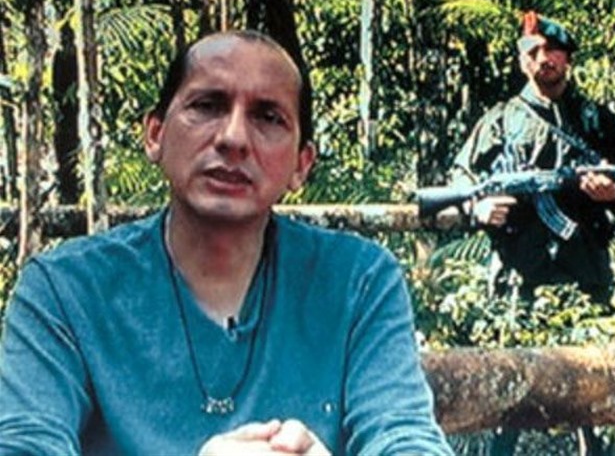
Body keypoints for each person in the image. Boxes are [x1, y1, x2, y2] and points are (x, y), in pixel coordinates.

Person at [0, 31, 453, 455]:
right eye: (207, 105)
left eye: (268, 117)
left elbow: (403, 434)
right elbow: (24, 444)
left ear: (302, 164)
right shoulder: (65, 291)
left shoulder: (357, 281)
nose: (233, 138)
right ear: (155, 134)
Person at [450, 11, 615, 308]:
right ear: (521, 61)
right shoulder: (500, 120)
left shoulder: (595, 120)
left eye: (552, 49)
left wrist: (614, 191)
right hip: (517, 278)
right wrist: (478, 206)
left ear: (568, 58)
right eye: (533, 51)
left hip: (586, 275)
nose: (543, 58)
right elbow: (462, 175)